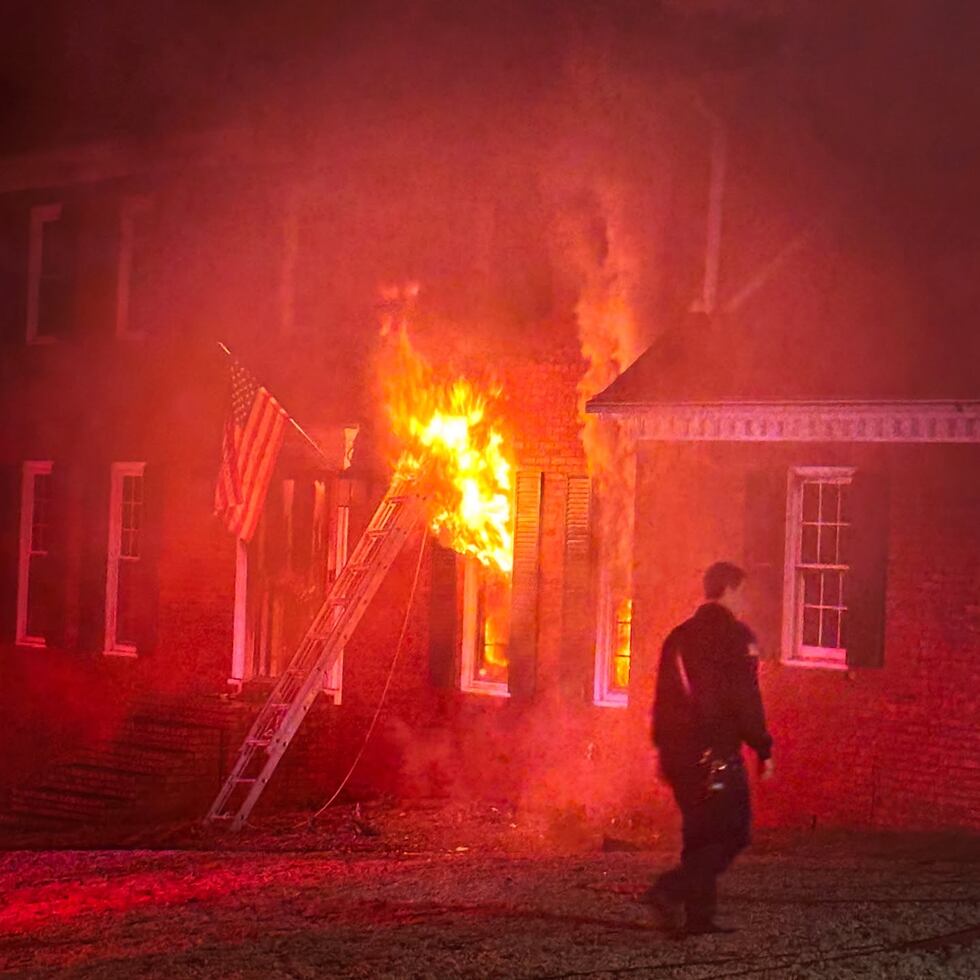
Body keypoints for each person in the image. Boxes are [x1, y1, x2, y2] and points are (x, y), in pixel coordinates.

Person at [644, 561, 774, 935]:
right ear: (729, 590)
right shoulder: (737, 637)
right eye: (743, 592)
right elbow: (746, 700)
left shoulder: (678, 637)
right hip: (716, 754)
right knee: (734, 832)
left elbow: (663, 700)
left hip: (679, 755)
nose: (745, 600)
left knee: (698, 834)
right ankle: (670, 891)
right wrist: (763, 748)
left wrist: (662, 751)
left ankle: (698, 917)